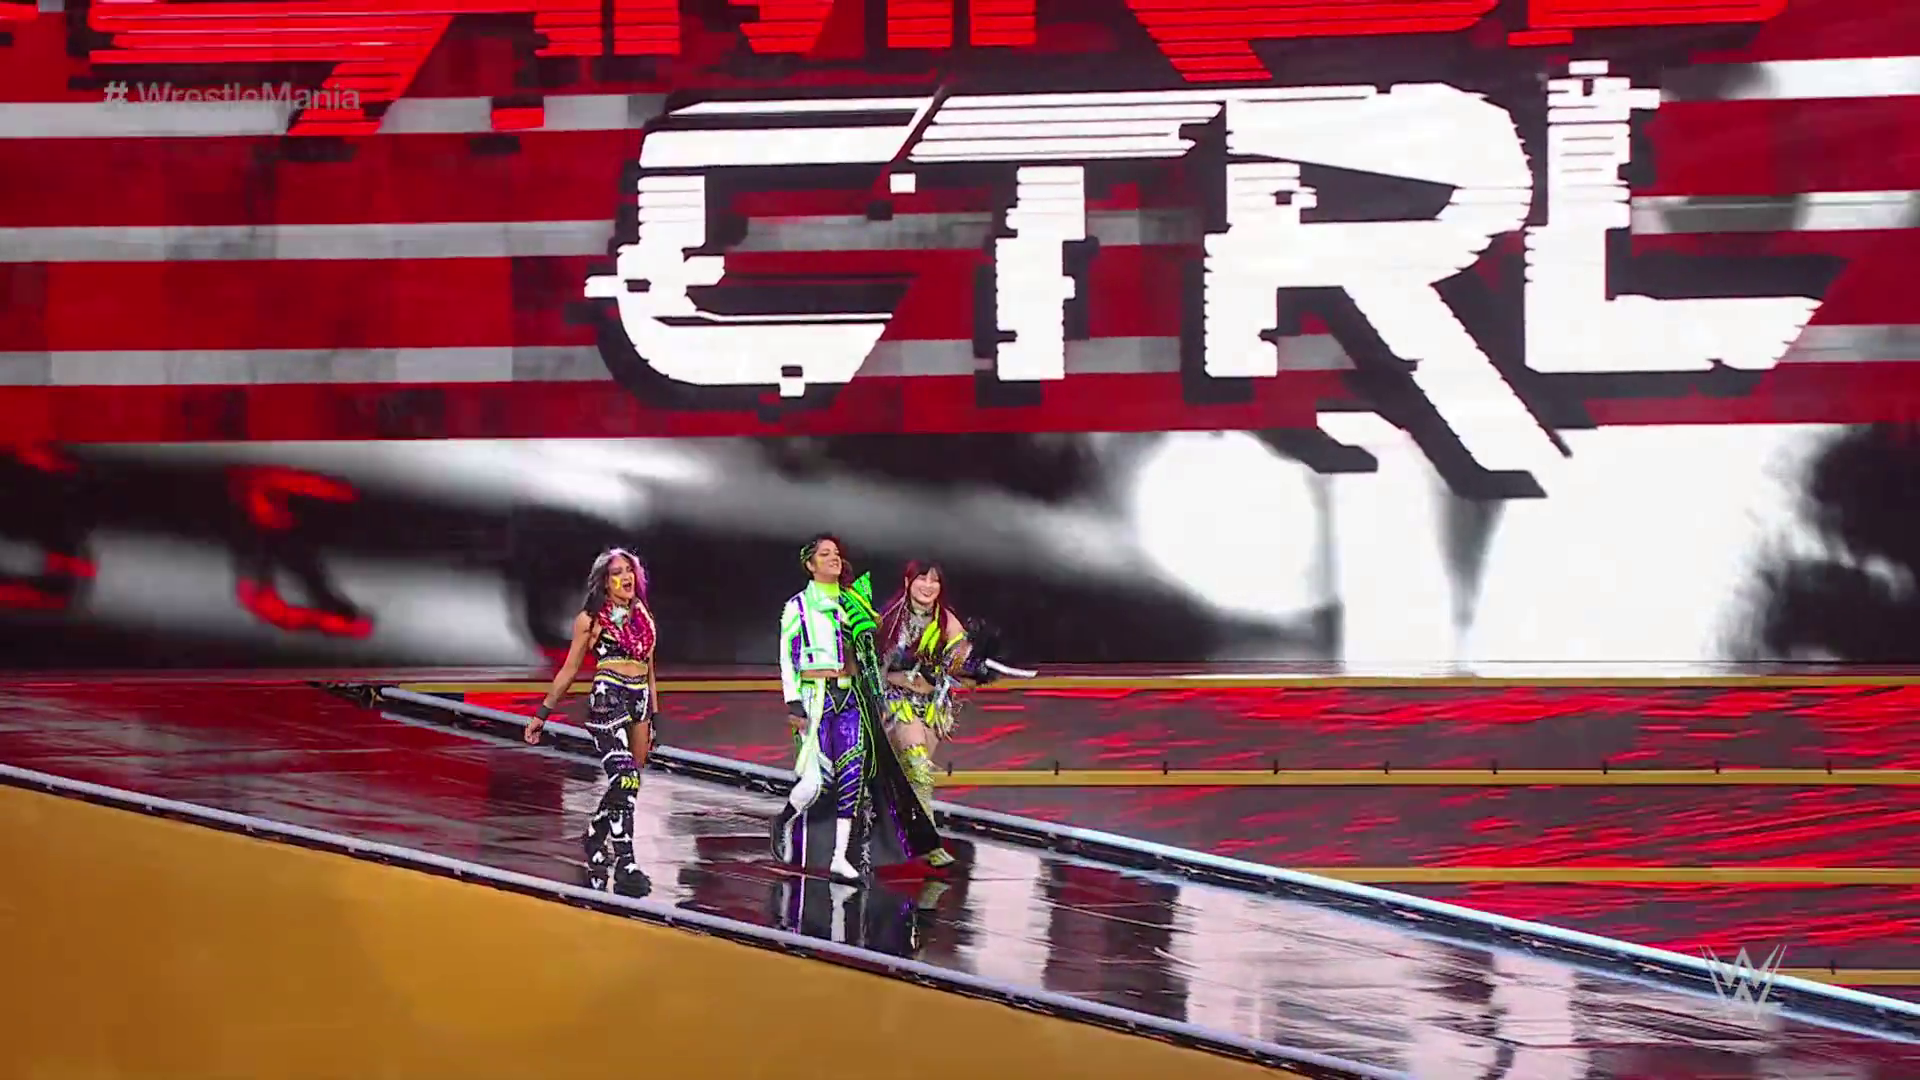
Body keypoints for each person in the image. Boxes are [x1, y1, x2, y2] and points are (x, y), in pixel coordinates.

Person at [772, 534, 942, 883]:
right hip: (816, 697)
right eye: (825, 554)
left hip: (851, 697)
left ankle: (839, 857)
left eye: (836, 553)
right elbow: (787, 658)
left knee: (852, 775)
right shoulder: (798, 607)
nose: (833, 558)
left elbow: (871, 651)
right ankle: (784, 819)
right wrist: (793, 702)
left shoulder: (853, 603)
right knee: (816, 782)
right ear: (810, 564)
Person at [526, 548, 659, 896]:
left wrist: (653, 717)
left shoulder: (643, 615)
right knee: (625, 778)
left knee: (629, 783)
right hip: (607, 699)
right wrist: (542, 714)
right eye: (616, 572)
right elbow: (569, 670)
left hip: (639, 701)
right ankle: (626, 863)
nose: (625, 577)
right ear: (604, 581)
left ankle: (595, 833)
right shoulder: (590, 620)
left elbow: (650, 670)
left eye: (628, 570)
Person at [877, 561, 968, 869]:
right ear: (907, 582)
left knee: (915, 774)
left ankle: (894, 834)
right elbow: (870, 665)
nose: (928, 586)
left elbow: (961, 663)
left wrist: (959, 666)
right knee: (917, 766)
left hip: (931, 708)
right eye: (922, 579)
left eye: (934, 581)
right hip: (895, 704)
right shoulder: (890, 619)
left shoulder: (947, 621)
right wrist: (896, 678)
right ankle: (928, 843)